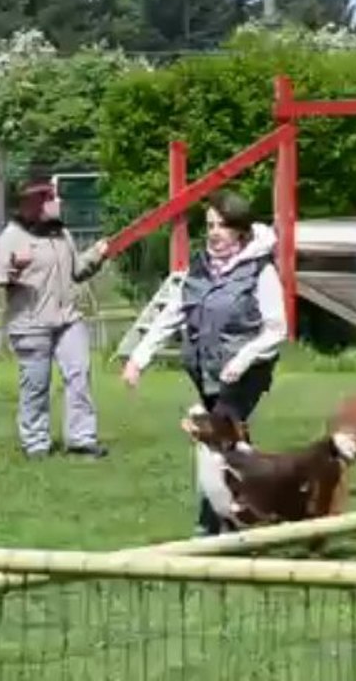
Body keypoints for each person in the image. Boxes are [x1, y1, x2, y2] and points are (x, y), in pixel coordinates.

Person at [122, 190, 287, 535]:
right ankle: (256, 510)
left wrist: (241, 362)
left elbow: (276, 330)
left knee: (212, 440)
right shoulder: (198, 269)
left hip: (245, 374)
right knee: (233, 444)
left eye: (222, 226)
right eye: (210, 225)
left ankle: (210, 527)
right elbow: (172, 314)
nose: (213, 232)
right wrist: (139, 357)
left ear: (240, 231)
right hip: (207, 372)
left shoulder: (261, 270)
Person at [0, 177, 111, 460]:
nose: (57, 202)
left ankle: (81, 438)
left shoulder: (60, 233)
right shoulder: (11, 237)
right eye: (50, 197)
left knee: (79, 374)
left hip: (68, 317)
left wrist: (97, 255)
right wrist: (15, 268)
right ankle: (35, 443)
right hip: (30, 323)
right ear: (33, 202)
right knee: (36, 385)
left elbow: (77, 271)